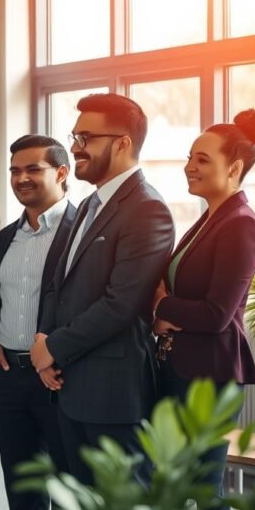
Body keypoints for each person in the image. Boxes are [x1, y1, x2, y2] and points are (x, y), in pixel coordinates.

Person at [32, 92, 174, 487]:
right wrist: (44, 342)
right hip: (69, 383)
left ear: (123, 143)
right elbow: (58, 285)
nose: (75, 148)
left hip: (113, 393)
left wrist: (53, 347)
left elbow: (121, 304)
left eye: (87, 138)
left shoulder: (147, 209)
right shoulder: (91, 203)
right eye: (75, 136)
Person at [152, 108, 255, 510]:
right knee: (179, 491)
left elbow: (217, 315)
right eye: (190, 157)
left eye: (202, 159)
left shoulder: (241, 226)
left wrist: (161, 308)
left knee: (203, 494)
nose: (189, 166)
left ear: (234, 167)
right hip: (181, 368)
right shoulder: (209, 219)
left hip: (210, 375)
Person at [0, 135, 76, 510]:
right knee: (22, 493)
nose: (22, 178)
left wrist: (57, 353)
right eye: (15, 171)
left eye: (33, 169)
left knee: (70, 491)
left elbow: (82, 303)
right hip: (10, 379)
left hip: (58, 377)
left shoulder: (79, 232)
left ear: (61, 172)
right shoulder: (6, 236)